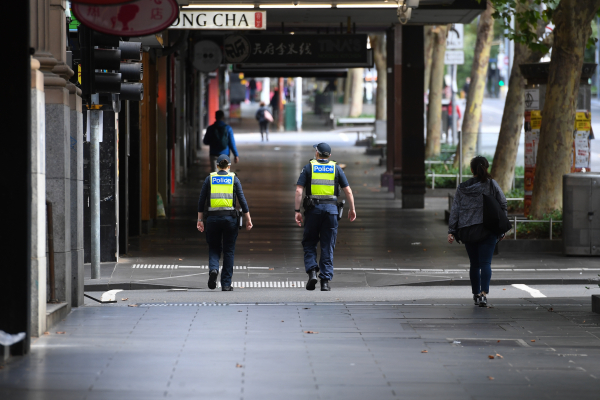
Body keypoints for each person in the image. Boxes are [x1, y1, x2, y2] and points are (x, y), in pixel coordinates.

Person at [294, 143, 357, 291]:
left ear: (317, 153)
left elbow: (298, 190)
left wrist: (297, 210)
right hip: (331, 211)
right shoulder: (336, 168)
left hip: (313, 210)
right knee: (327, 245)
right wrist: (352, 209)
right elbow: (348, 191)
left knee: (309, 242)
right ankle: (325, 282)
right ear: (329, 155)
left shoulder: (309, 167)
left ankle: (312, 272)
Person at [447, 156, 507, 307]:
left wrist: (452, 230)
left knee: (474, 264)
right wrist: (501, 227)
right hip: (488, 230)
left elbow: (455, 210)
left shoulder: (462, 187)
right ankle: (483, 294)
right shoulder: (491, 184)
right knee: (485, 263)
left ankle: (475, 293)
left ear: (472, 169)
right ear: (486, 168)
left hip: (468, 231)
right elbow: (503, 202)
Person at [197, 154, 253, 291]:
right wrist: (248, 219)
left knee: (214, 247)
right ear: (229, 167)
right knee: (228, 250)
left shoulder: (209, 179)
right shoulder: (234, 179)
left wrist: (200, 220)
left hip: (212, 219)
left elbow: (201, 201)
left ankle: (214, 270)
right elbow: (242, 201)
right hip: (230, 220)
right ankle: (226, 284)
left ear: (217, 166)